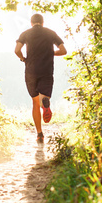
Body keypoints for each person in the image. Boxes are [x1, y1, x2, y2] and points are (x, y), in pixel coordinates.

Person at [15, 14, 67, 143]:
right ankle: (46, 103)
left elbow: (17, 50)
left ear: (31, 23)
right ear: (42, 23)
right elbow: (63, 50)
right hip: (46, 70)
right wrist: (51, 53)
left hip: (31, 71)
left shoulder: (25, 33)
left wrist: (23, 59)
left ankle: (39, 134)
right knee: (43, 97)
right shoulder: (51, 33)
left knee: (34, 102)